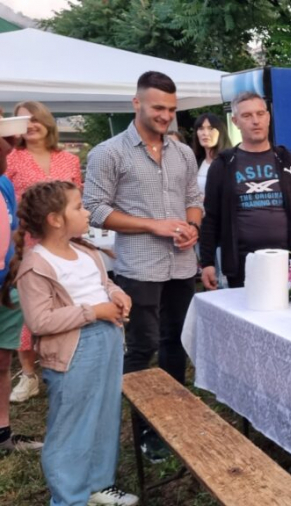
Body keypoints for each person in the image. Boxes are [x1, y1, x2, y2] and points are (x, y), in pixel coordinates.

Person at [83, 70, 203, 462]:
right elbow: (95, 210)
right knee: (142, 347)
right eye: (157, 107)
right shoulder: (109, 152)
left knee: (175, 343)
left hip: (182, 265)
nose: (166, 115)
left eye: (171, 108)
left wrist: (193, 226)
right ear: (136, 104)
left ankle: (172, 418)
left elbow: (193, 197)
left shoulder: (184, 152)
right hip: (138, 267)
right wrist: (153, 224)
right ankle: (144, 429)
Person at [14, 180, 137, 506]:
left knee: (104, 414)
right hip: (72, 353)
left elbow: (104, 283)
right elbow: (41, 321)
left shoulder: (85, 251)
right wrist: (94, 311)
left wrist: (117, 295)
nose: (86, 213)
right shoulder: (36, 266)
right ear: (55, 219)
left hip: (108, 341)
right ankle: (68, 497)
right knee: (73, 426)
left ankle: (97, 484)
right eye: (79, 207)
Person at [199, 91, 291, 289]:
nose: (255, 121)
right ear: (235, 121)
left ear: (268, 117)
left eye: (260, 114)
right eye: (247, 116)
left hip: (290, 261)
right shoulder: (223, 165)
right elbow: (211, 217)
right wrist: (207, 262)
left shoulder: (289, 161)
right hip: (242, 264)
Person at [6, 100, 83, 404]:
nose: (31, 125)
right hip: (28, 244)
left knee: (66, 301)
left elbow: (78, 199)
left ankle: (66, 362)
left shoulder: (68, 159)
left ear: (47, 122)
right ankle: (28, 375)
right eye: (23, 121)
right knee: (27, 308)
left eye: (36, 119)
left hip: (66, 243)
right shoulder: (12, 158)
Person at [0, 124, 42, 453]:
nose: (12, 144)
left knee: (2, 363)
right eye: (4, 137)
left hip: (5, 287)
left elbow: (14, 231)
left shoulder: (4, 185)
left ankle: (3, 435)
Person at [191, 112, 231, 201]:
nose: (205, 133)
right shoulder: (195, 162)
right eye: (201, 128)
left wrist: (206, 199)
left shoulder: (230, 161)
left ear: (220, 132)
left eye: (211, 128)